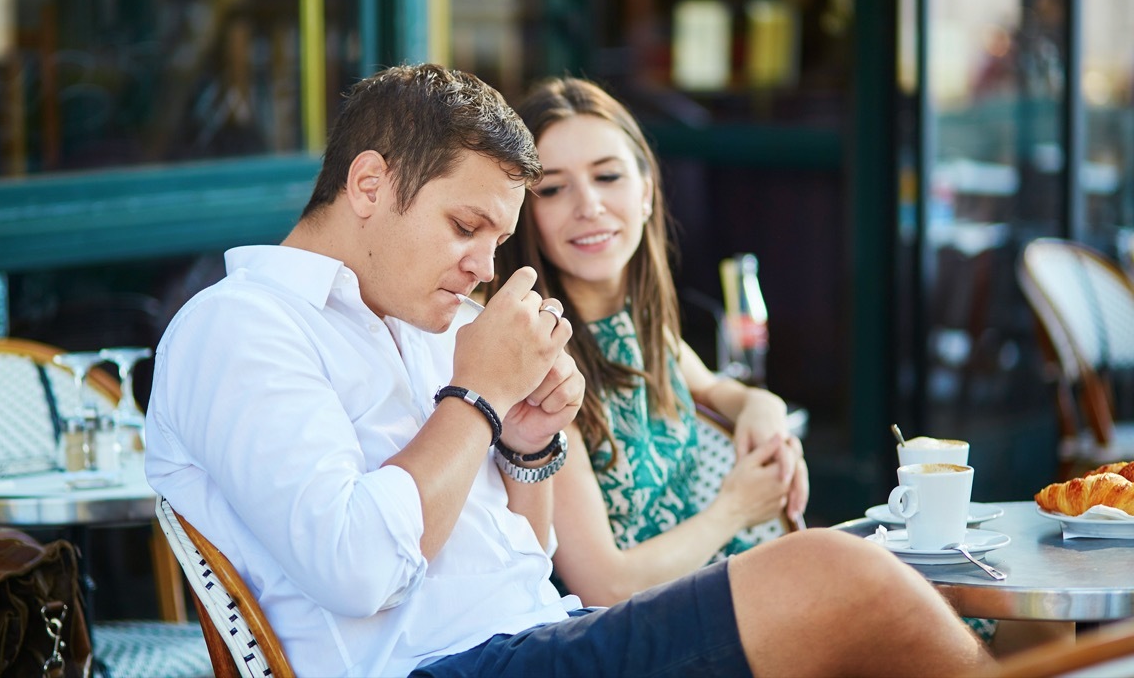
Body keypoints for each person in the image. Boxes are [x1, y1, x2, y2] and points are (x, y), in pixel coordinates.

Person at [145, 63, 992, 678]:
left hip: (541, 633)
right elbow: (356, 568)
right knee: (838, 579)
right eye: (466, 226)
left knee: (864, 609)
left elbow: (527, 548)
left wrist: (528, 445)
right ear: (370, 184)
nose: (484, 265)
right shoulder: (241, 326)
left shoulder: (415, 317)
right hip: (443, 667)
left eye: (496, 238)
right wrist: (474, 399)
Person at [489, 76, 806, 605]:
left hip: (739, 588)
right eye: (553, 188)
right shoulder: (540, 364)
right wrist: (736, 508)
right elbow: (604, 585)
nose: (588, 205)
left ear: (646, 193)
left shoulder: (641, 325)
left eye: (607, 176)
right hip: (648, 632)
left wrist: (761, 406)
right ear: (526, 214)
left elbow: (714, 388)